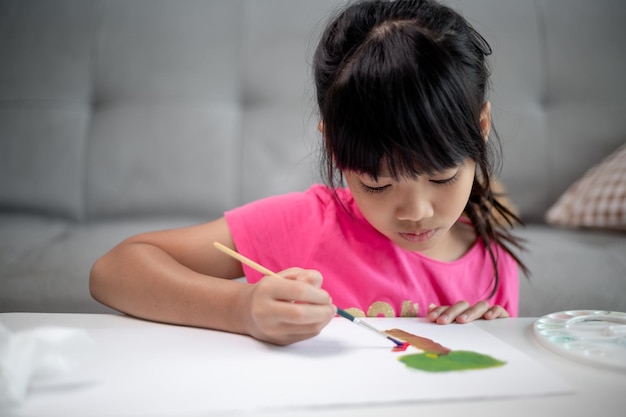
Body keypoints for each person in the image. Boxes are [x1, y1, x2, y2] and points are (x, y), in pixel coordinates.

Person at [90, 0, 527, 346]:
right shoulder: (309, 225)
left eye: (441, 177)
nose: (416, 211)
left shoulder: (495, 261)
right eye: (377, 184)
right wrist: (241, 308)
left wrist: (492, 335)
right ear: (335, 149)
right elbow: (114, 270)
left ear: (481, 128)